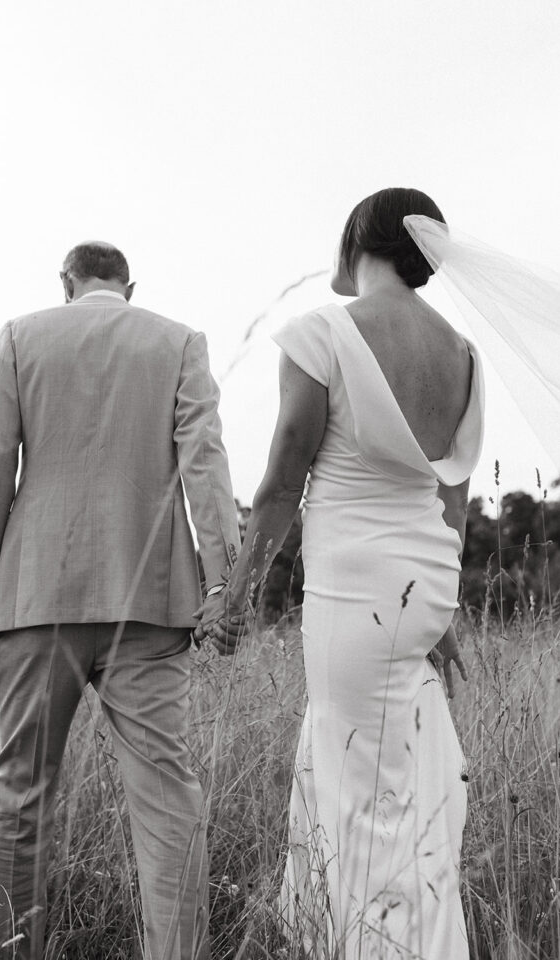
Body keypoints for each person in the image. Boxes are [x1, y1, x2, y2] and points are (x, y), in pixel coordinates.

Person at [196, 188, 482, 959]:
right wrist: (441, 610)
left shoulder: (321, 331)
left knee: (361, 799)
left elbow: (283, 481)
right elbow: (449, 499)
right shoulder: (460, 353)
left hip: (355, 595)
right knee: (377, 774)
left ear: (359, 236)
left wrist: (236, 594)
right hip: (422, 586)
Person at [0, 241, 240, 960]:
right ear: (129, 286)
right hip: (149, 601)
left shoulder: (21, 337)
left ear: (66, 283)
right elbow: (204, 460)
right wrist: (220, 583)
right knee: (168, 802)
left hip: (33, 597)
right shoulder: (177, 340)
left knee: (21, 797)